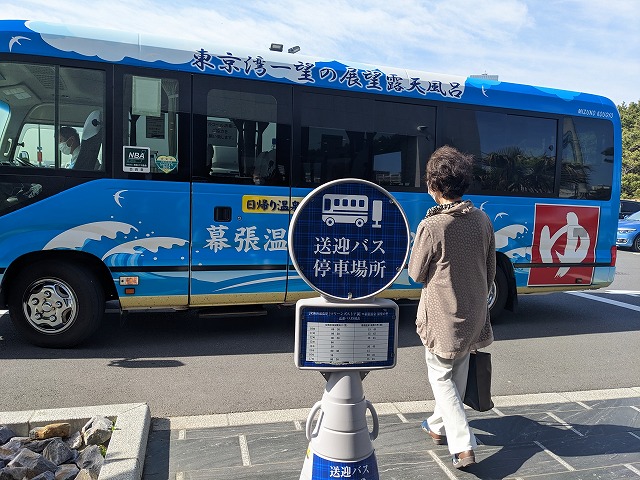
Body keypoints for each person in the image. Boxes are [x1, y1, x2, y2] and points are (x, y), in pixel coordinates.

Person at [408, 145, 496, 470]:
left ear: (433, 187)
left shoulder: (433, 226)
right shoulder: (483, 219)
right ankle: (437, 425)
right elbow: (489, 269)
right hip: (474, 314)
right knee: (455, 370)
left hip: (443, 318)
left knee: (442, 376)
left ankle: (462, 446)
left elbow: (416, 273)